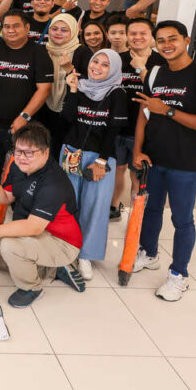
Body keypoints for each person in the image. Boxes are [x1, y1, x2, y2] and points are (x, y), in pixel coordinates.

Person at [133, 20, 196, 302]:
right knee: (151, 211)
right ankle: (149, 253)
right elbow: (144, 115)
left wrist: (169, 111)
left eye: (172, 39)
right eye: (160, 41)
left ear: (186, 40)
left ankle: (179, 275)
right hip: (154, 158)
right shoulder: (156, 74)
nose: (166, 45)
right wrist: (137, 151)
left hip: (186, 163)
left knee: (182, 219)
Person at [0, 122, 85, 308]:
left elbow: (34, 227)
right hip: (34, 226)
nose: (22, 157)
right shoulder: (18, 165)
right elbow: (6, 196)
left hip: (61, 241)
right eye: (18, 151)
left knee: (9, 246)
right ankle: (52, 269)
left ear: (46, 152)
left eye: (30, 153)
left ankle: (32, 288)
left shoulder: (52, 184)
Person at [60, 49, 127, 281]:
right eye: (95, 61)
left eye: (105, 65)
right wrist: (73, 90)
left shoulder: (117, 93)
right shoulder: (81, 85)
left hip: (100, 157)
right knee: (69, 203)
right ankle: (67, 249)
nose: (97, 67)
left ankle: (86, 254)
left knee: (95, 207)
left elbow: (113, 131)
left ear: (114, 69)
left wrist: (101, 160)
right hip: (71, 152)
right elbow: (67, 119)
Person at [0, 11, 54, 186]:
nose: (10, 30)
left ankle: (18, 205)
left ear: (27, 28)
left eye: (16, 26)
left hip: (24, 125)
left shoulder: (38, 52)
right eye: (6, 26)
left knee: (23, 167)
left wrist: (23, 117)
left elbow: (45, 89)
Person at [112, 17, 165, 220]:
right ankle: (114, 207)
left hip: (143, 130)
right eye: (133, 33)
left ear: (151, 37)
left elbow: (159, 95)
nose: (137, 37)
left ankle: (137, 216)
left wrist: (141, 69)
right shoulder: (119, 59)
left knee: (137, 175)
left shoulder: (160, 62)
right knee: (117, 170)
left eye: (143, 33)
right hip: (118, 126)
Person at [38, 13, 81, 154]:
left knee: (60, 153)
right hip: (43, 109)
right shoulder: (42, 51)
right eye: (54, 29)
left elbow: (86, 84)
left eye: (64, 30)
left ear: (73, 31)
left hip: (68, 113)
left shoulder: (82, 52)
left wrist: (69, 69)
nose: (58, 33)